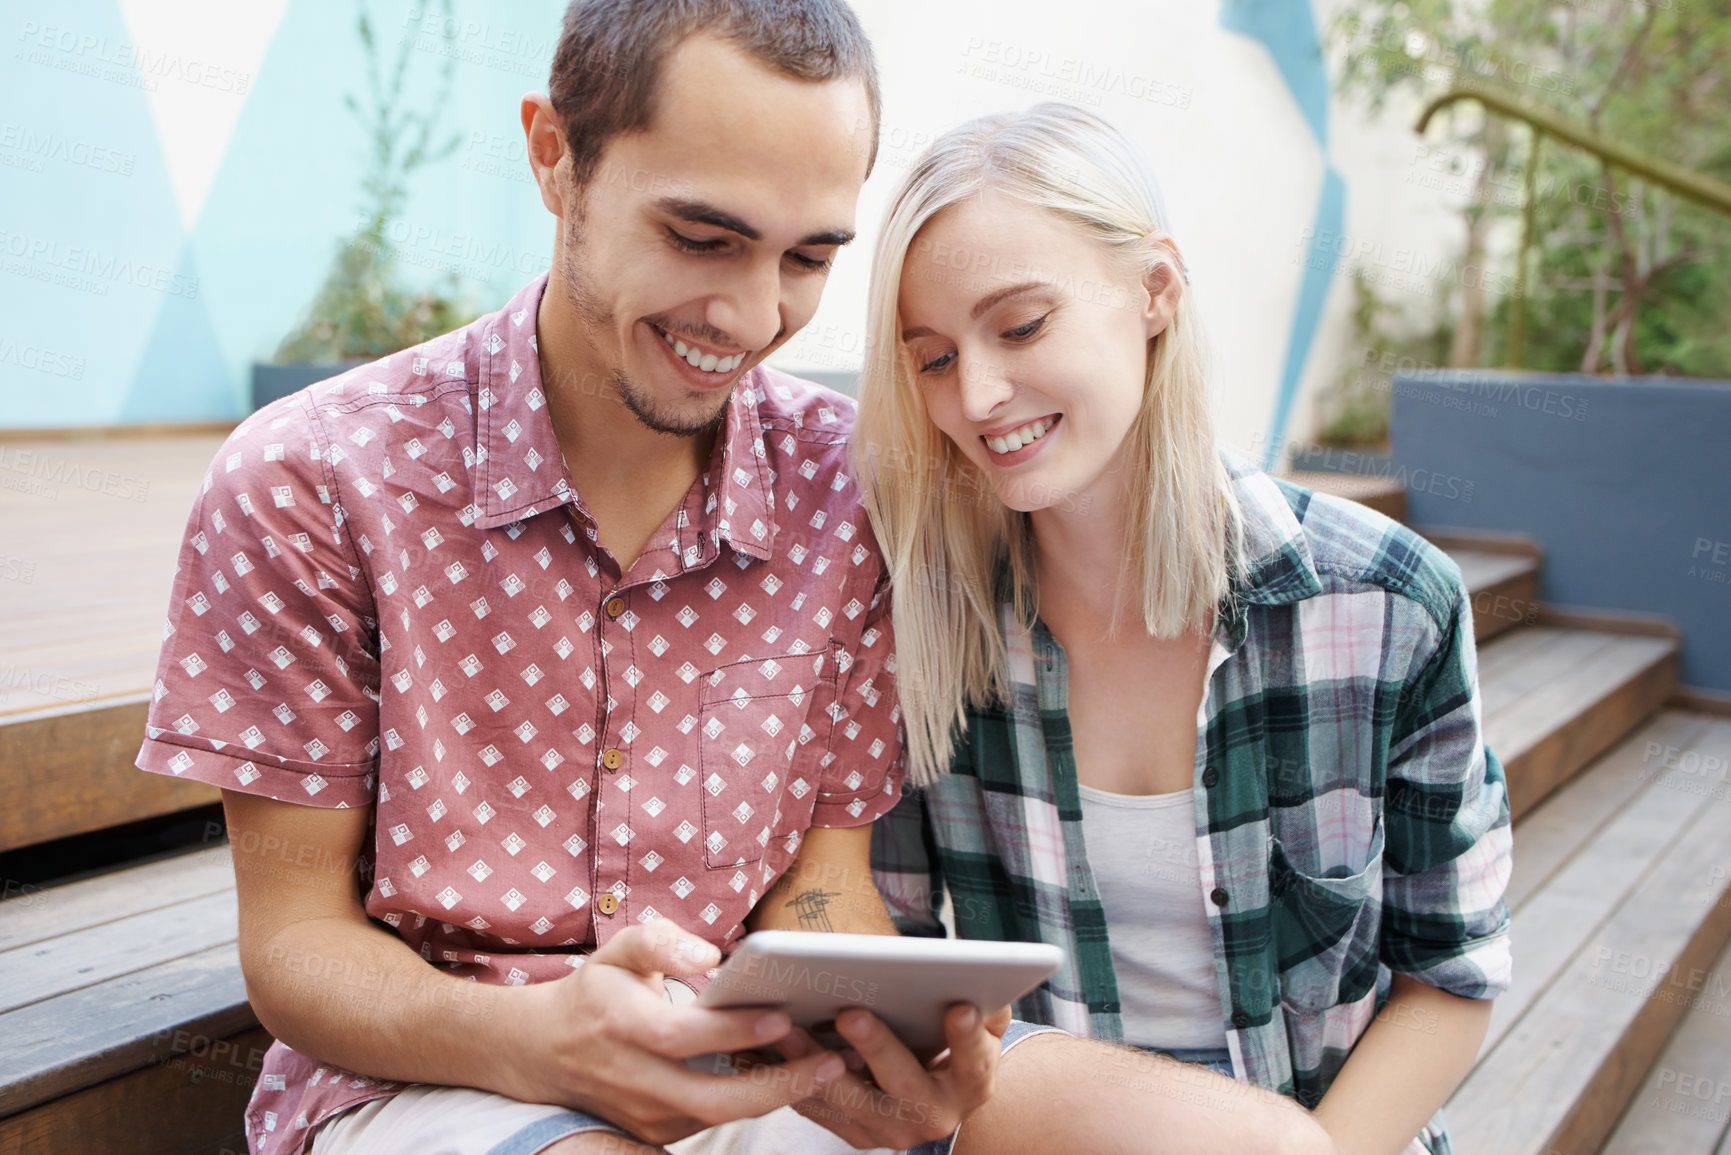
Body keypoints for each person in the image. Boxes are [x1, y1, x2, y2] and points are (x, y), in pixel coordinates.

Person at [135, 5, 1334, 1155]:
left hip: (753, 1067)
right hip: (441, 1078)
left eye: (807, 257)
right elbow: (294, 947)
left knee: (1267, 1146)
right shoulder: (312, 482)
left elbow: (822, 893)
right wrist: (535, 1041)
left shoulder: (842, 493)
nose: (753, 316)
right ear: (557, 159)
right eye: (702, 239)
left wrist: (889, 1043)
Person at [858, 103, 1513, 1155]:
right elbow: (880, 962)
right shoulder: (918, 619)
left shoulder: (1388, 606)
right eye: (931, 359)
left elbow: (1449, 975)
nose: (977, 396)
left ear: (1154, 291)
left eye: (1021, 326)